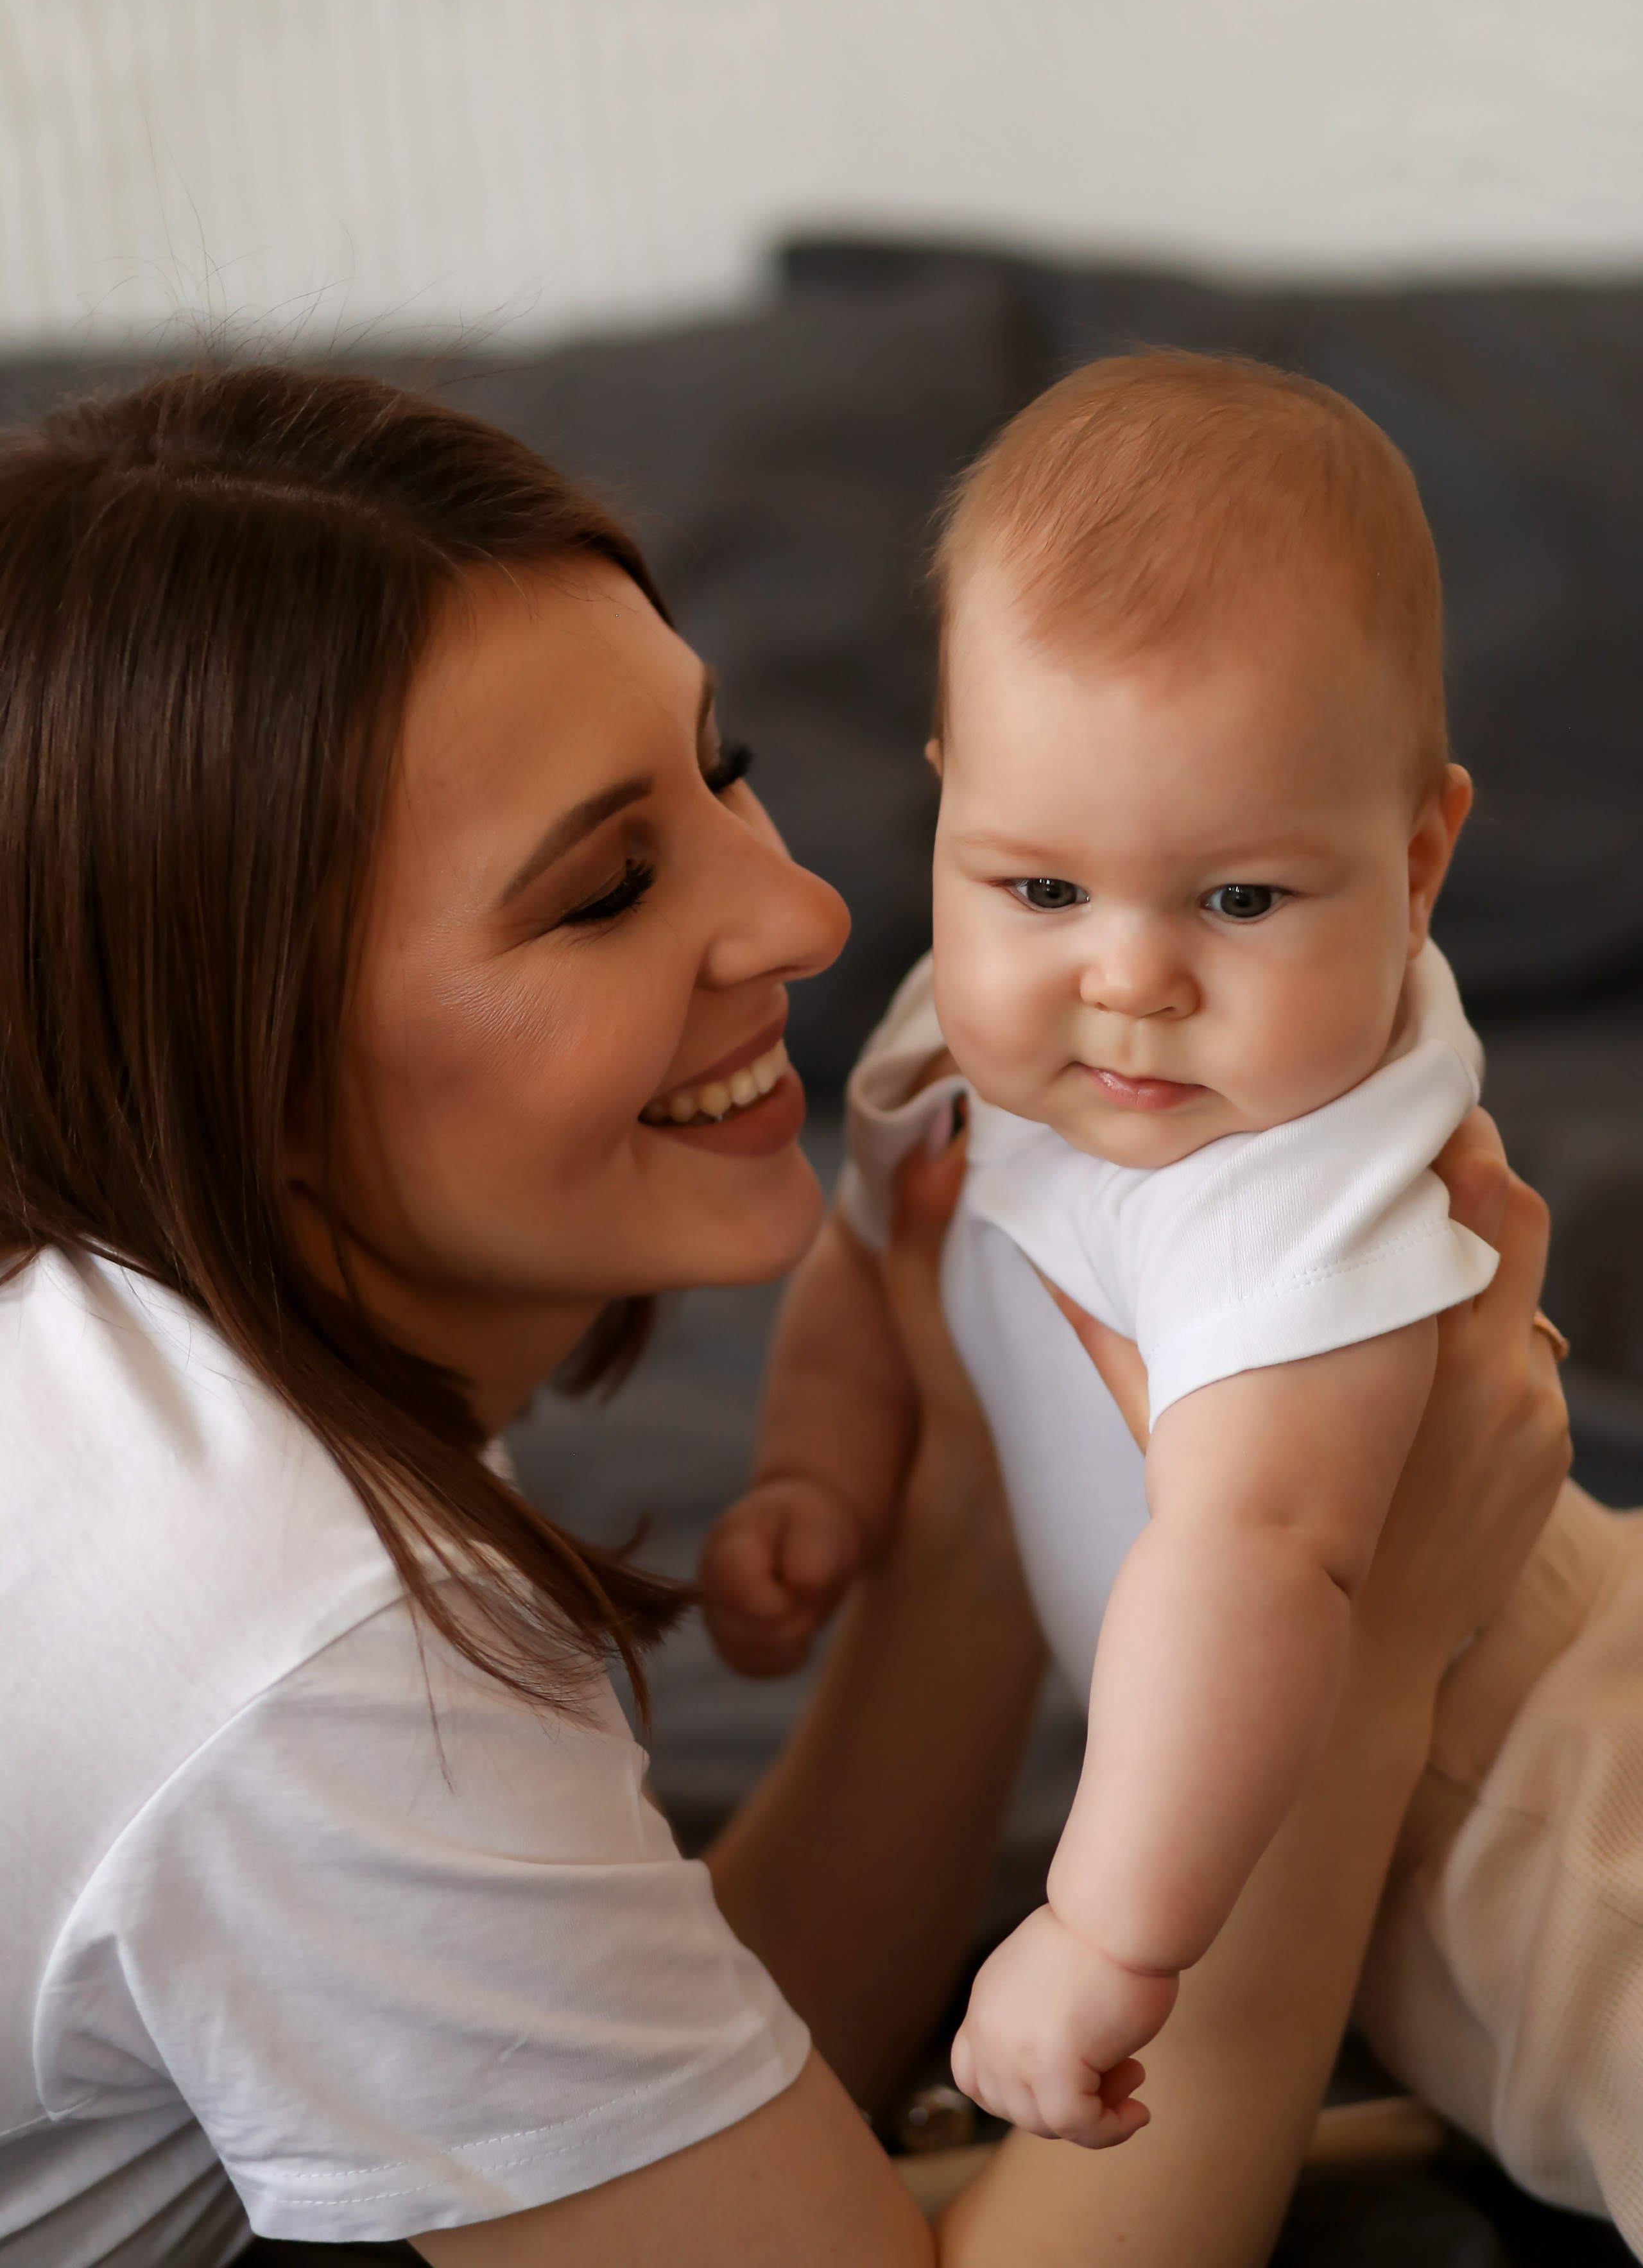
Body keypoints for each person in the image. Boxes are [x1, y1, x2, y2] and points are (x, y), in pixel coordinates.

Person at [0, 367, 1565, 2268]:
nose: (811, 915)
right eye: (604, 894)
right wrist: (1357, 1680)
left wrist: (966, 1507)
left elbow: (674, 2117)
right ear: (252, 1082)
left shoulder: (157, 1364)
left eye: (722, 766)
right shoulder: (297, 1647)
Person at [702, 355, 1643, 2242]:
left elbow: (1261, 1563)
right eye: (1042, 884)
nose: (1127, 980)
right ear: (951, 811)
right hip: (1373, 1854)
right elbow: (884, 1241)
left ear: (1419, 859)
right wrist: (823, 1468)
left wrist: (1107, 1934)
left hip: (1564, 1818)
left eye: (1239, 904)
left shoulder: (1286, 1186)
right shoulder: (969, 1034)